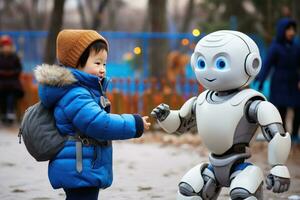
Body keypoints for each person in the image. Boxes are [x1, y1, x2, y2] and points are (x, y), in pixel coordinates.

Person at [34, 29, 150, 200]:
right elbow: (99, 123)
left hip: (81, 165)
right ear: (76, 63)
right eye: (97, 63)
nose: (102, 69)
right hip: (80, 167)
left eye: (104, 64)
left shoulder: (81, 91)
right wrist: (134, 124)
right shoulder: (75, 94)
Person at [256, 18, 300, 141]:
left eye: (293, 29)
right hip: (279, 82)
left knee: (297, 108)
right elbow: (267, 64)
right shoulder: (275, 47)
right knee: (281, 111)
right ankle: (283, 137)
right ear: (282, 31)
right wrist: (261, 79)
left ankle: (295, 135)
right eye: (288, 29)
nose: (291, 32)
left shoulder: (296, 47)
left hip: (293, 81)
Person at [0, 35, 24, 125]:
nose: (6, 48)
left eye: (8, 46)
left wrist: (12, 73)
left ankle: (10, 114)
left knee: (12, 94)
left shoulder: (15, 57)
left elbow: (19, 69)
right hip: (2, 82)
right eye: (4, 46)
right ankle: (3, 114)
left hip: (13, 82)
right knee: (2, 94)